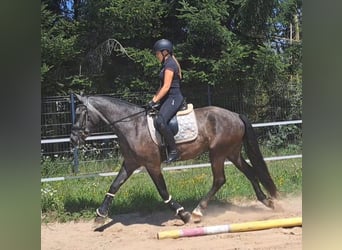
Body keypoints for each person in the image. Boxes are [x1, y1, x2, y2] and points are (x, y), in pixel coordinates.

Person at [147, 39, 184, 163]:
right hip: (168, 98)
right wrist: (153, 100)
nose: (156, 56)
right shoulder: (166, 64)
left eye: (157, 53)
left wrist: (154, 101)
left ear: (165, 52)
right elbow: (161, 86)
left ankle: (174, 151)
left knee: (160, 121)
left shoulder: (170, 65)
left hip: (174, 98)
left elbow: (167, 86)